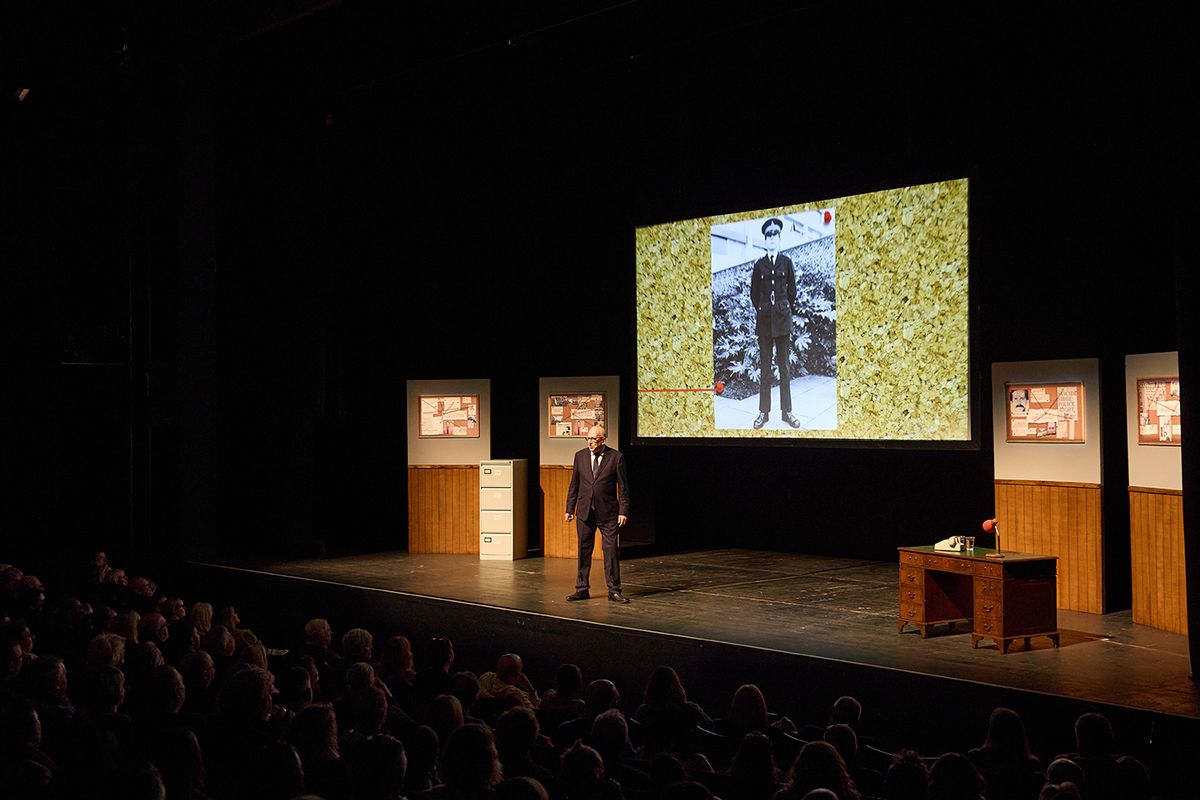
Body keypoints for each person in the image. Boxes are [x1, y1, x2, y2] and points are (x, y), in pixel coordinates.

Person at [564, 424, 631, 603]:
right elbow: (574, 485)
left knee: (610, 551)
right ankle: (581, 589)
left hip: (608, 513)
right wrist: (569, 508)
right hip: (585, 512)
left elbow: (623, 487)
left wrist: (623, 511)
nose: (590, 442)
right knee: (584, 550)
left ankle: (614, 590)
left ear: (603, 440)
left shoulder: (616, 457)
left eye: (594, 439)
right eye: (588, 439)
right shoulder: (580, 456)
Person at [750, 217, 800, 430]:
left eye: (775, 235)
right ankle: (764, 412)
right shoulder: (759, 265)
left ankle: (787, 411)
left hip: (782, 321)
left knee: (784, 367)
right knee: (765, 368)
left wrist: (783, 308)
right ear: (765, 240)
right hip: (764, 322)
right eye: (768, 235)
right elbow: (754, 294)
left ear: (779, 238)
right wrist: (764, 309)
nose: (771, 238)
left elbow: (792, 292)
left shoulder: (786, 262)